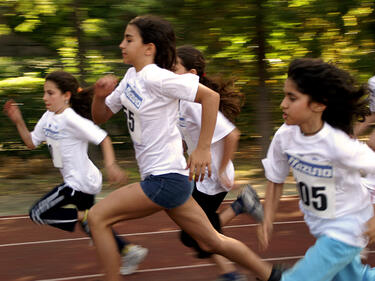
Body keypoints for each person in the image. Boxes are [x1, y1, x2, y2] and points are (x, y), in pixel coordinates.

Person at [88, 15, 281, 281]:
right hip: (171, 180)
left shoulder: (158, 77)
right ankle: (273, 275)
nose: (121, 44)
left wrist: (202, 149)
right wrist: (98, 96)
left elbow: (210, 97)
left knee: (97, 217)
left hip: (165, 179)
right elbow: (101, 116)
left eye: (128, 39)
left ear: (149, 48)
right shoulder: (132, 76)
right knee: (213, 241)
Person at [3, 70, 148, 276]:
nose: (45, 97)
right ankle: (128, 250)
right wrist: (18, 120)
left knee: (38, 213)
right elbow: (31, 142)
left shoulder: (71, 119)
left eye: (50, 93)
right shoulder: (48, 117)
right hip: (82, 180)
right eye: (44, 93)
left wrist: (111, 165)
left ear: (66, 95)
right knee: (93, 227)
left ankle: (88, 216)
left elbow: (103, 138)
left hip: (78, 182)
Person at [258, 58, 375, 281]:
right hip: (320, 226)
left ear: (319, 105)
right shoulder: (285, 136)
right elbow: (275, 178)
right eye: (285, 95)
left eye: (292, 98)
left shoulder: (337, 145)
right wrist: (268, 218)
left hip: (348, 230)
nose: (283, 104)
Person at [175, 45, 264, 281]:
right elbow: (189, 136)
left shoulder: (197, 103)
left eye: (174, 68)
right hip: (198, 177)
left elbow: (232, 135)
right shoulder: (183, 102)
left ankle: (242, 273)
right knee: (200, 232)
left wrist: (223, 169)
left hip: (213, 179)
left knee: (198, 234)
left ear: (192, 73)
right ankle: (240, 207)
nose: (169, 72)